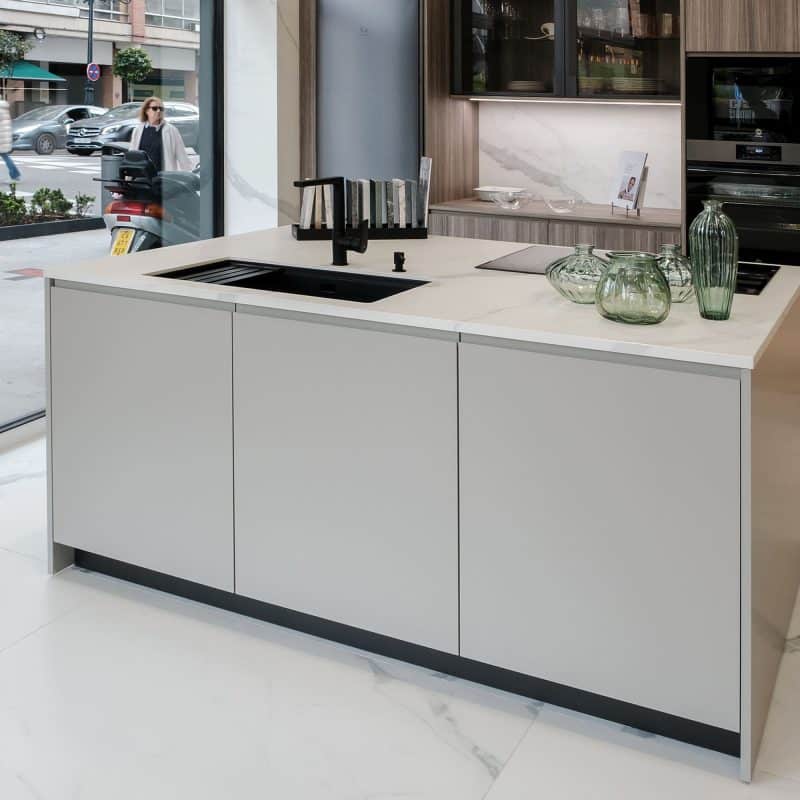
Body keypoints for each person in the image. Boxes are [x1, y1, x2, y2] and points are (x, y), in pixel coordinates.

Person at [129, 96, 192, 173]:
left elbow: (182, 156)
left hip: (162, 176)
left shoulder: (171, 130)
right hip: (142, 176)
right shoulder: (138, 130)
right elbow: (132, 155)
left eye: (161, 109)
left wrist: (189, 174)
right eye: (154, 108)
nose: (158, 111)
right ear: (146, 111)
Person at [0, 98, 22, 184]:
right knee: (5, 156)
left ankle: (15, 175)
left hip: (1, 137)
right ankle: (15, 175)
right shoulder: (3, 108)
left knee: (5, 157)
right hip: (4, 136)